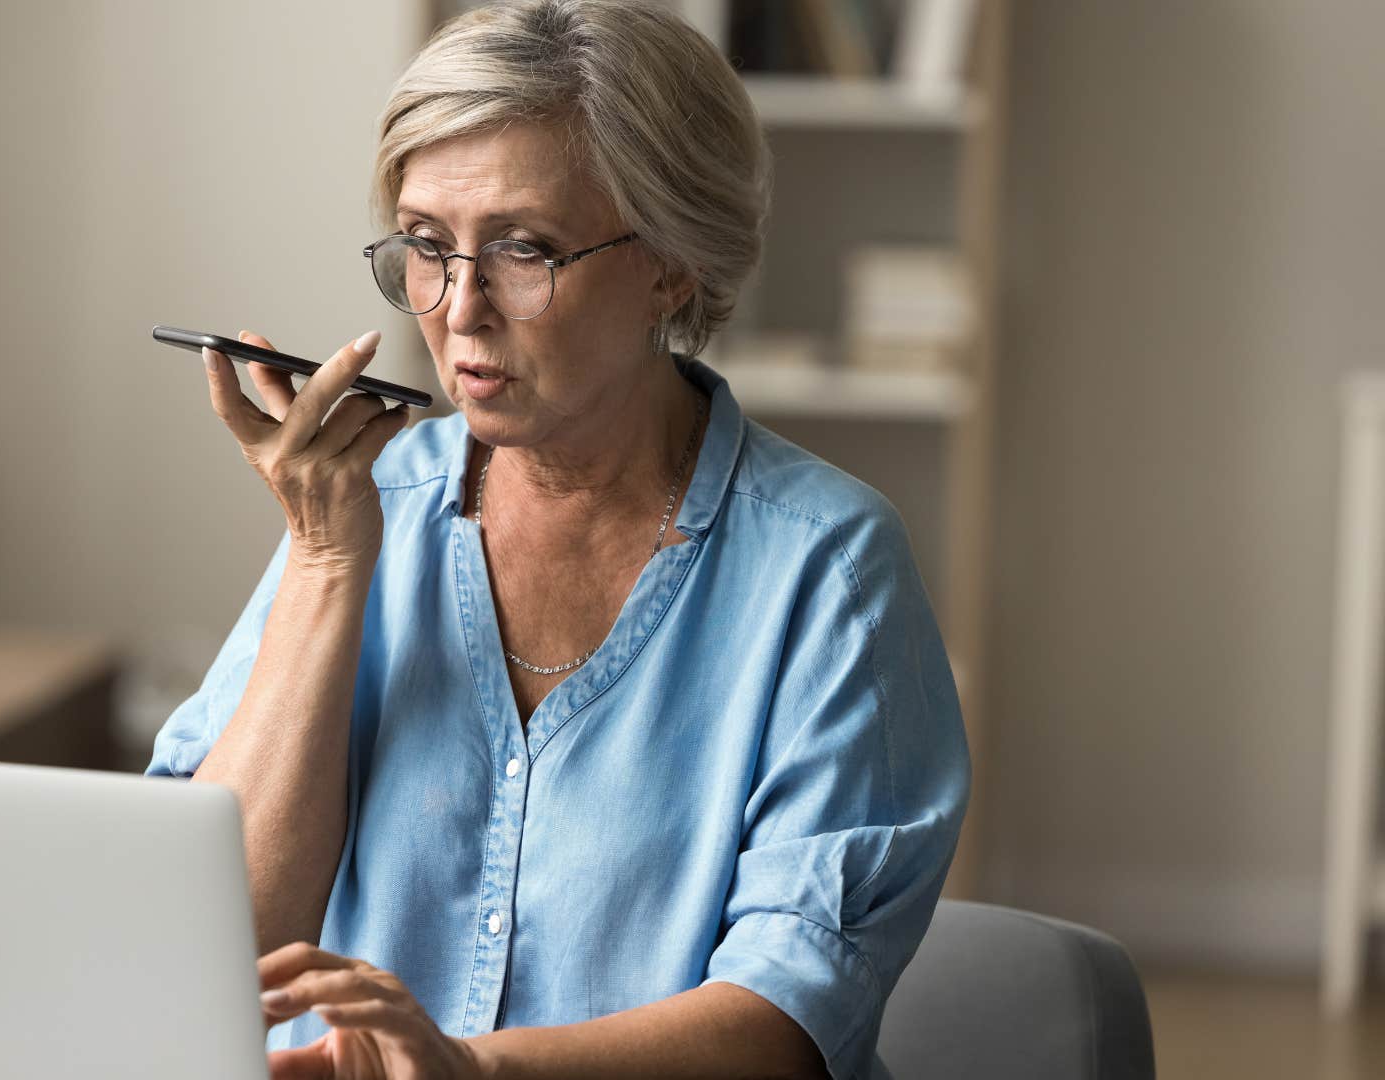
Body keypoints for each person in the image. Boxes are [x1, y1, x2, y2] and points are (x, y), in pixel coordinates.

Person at [147, 2, 970, 1077]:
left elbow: (783, 1022)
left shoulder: (828, 569)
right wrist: (324, 564)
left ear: (673, 262)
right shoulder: (356, 505)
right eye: (428, 248)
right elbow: (207, 949)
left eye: (523, 251)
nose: (459, 310)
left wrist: (473, 1071)